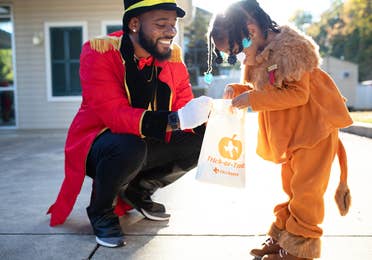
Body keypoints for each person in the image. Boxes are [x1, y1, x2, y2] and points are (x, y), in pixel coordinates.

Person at [47, 0, 213, 248]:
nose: (171, 31)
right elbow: (114, 114)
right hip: (101, 145)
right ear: (134, 24)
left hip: (145, 142)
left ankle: (139, 190)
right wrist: (175, 119)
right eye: (161, 24)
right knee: (129, 146)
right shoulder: (99, 51)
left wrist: (212, 116)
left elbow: (184, 104)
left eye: (173, 24)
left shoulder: (173, 57)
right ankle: (101, 211)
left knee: (206, 137)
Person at [207, 1, 353, 259]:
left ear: (250, 31)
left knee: (307, 192)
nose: (237, 59)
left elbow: (297, 95)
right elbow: (263, 90)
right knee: (293, 188)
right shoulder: (258, 53)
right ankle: (283, 237)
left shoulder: (291, 51)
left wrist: (251, 99)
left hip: (315, 130)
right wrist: (239, 91)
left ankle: (301, 248)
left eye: (236, 52)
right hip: (294, 137)